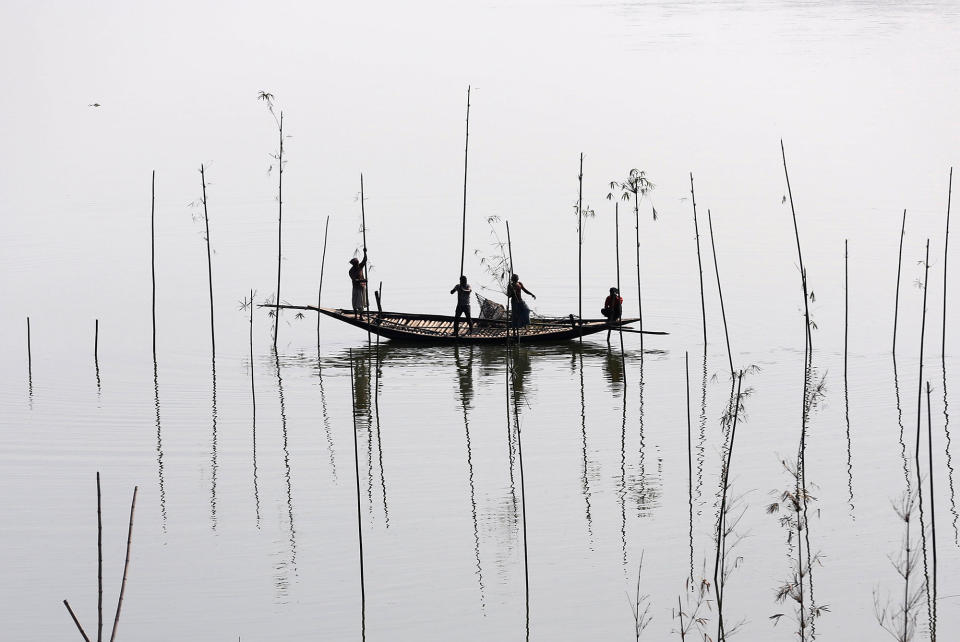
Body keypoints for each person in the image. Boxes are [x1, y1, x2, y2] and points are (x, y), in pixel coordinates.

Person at [348, 248, 368, 315]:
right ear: (353, 264)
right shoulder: (351, 271)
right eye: (356, 264)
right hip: (356, 288)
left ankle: (361, 316)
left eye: (357, 263)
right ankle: (356, 315)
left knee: (361, 303)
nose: (357, 265)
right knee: (356, 303)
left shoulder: (360, 266)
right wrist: (363, 280)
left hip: (362, 287)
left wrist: (364, 252)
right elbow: (355, 280)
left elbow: (365, 260)